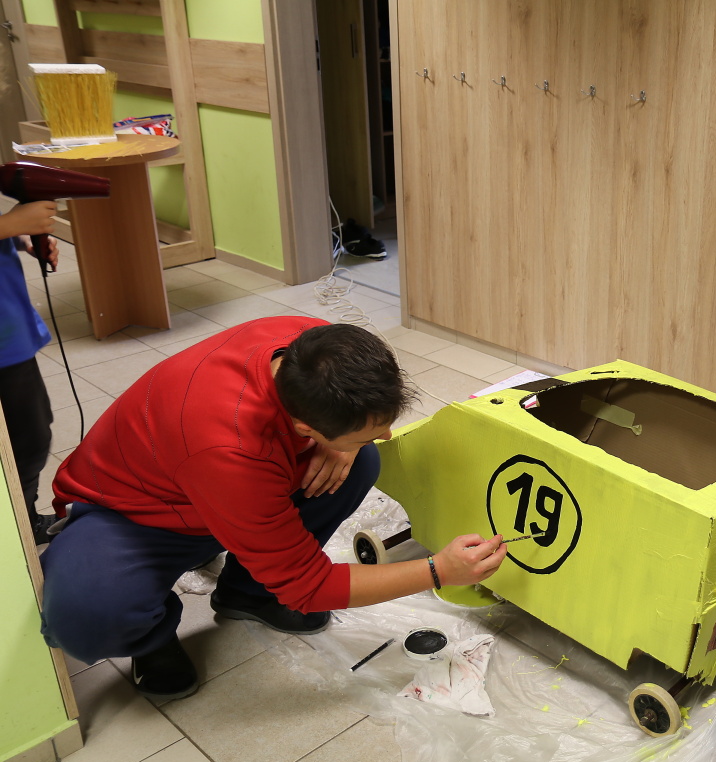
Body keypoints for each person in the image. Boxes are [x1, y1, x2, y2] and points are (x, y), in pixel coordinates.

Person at [40, 317, 507, 700]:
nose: (386, 436)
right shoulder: (231, 451)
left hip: (221, 488)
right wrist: (437, 570)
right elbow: (309, 585)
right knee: (87, 617)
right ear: (304, 426)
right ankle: (153, 637)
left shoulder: (311, 347)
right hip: (133, 514)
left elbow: (351, 430)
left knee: (359, 461)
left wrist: (345, 444)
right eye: (369, 430)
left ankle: (249, 592)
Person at [0, 200, 59, 544]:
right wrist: (9, 225)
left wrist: (18, 237)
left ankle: (25, 518)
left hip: (9, 328)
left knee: (32, 432)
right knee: (27, 441)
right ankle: (16, 533)